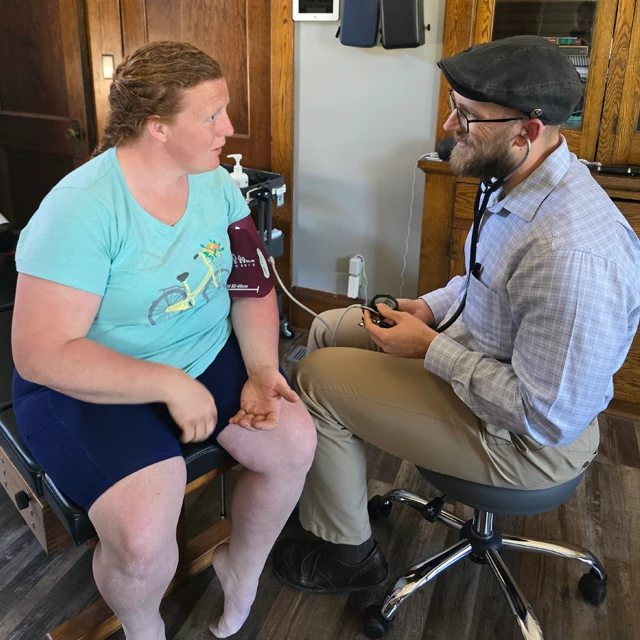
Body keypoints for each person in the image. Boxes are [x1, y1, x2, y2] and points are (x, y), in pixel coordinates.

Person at [272, 36, 640, 593]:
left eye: (468, 117)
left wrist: (428, 348)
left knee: (315, 380)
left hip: (528, 443)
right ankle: (331, 502)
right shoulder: (516, 180)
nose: (448, 126)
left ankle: (349, 557)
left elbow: (547, 416)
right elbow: (479, 281)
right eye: (454, 106)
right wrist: (429, 308)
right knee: (329, 327)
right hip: (487, 367)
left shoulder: (570, 254)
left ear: (527, 130)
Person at [11, 41, 316, 639]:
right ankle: (142, 625)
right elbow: (41, 354)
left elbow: (250, 285)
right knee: (146, 543)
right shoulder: (80, 209)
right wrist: (167, 384)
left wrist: (258, 369)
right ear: (155, 127)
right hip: (82, 380)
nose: (228, 128)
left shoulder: (215, 185)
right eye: (210, 116)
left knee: (291, 444)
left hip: (196, 354)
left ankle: (241, 569)